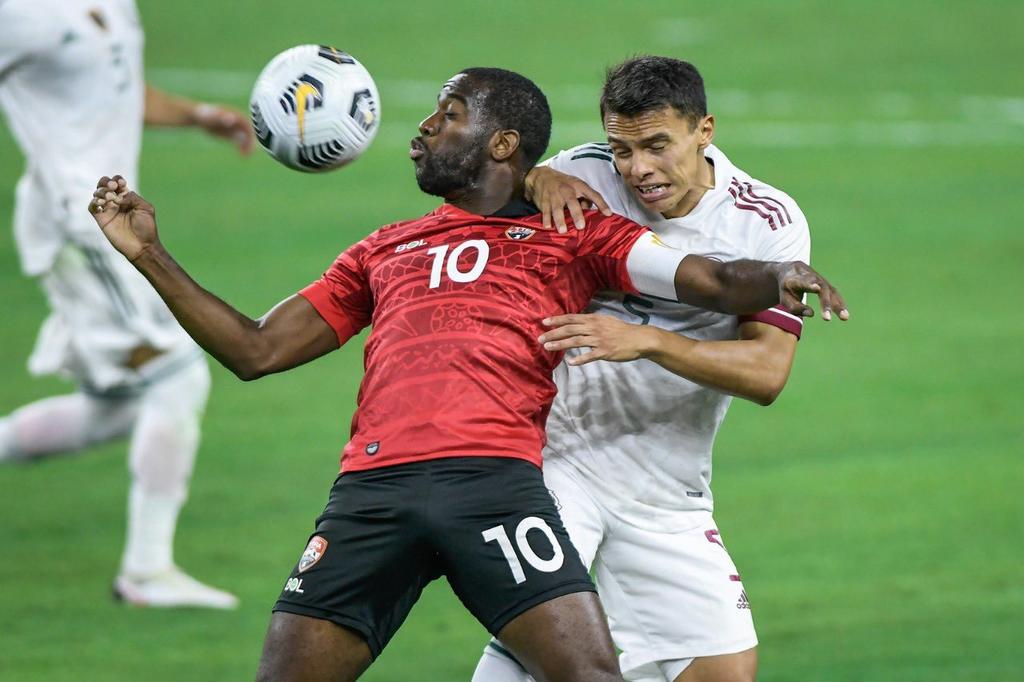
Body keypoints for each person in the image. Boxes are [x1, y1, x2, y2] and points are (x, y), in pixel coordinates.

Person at [86, 66, 845, 680]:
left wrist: (778, 278)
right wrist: (148, 253)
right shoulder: (391, 245)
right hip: (444, 484)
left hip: (567, 484)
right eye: (622, 150)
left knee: (695, 672)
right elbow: (256, 350)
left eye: (447, 116)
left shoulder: (595, 233)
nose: (420, 129)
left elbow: (718, 292)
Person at [472, 56, 834, 682]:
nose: (638, 169)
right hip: (557, 463)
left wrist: (645, 340)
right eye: (622, 148)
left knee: (723, 671)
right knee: (543, 653)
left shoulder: (765, 221)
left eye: (657, 146)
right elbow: (468, 192)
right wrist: (531, 181)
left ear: (705, 130)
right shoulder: (581, 173)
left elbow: (766, 374)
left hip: (666, 492)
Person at [0, 0, 253, 608]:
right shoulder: (19, 15)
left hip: (105, 217)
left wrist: (195, 115)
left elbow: (113, 88)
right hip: (75, 219)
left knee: (117, 405)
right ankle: (145, 572)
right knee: (178, 372)